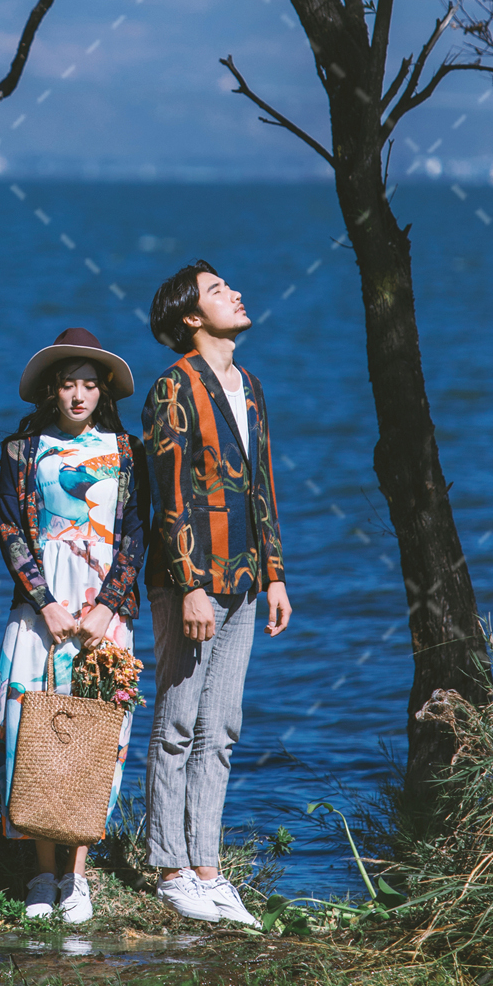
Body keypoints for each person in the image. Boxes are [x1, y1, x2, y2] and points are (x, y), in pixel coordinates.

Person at [141, 261, 292, 926]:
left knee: (222, 726)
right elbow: (169, 498)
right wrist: (190, 587)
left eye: (231, 283)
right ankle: (169, 866)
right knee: (177, 721)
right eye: (217, 289)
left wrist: (277, 573)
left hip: (246, 576)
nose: (235, 290)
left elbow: (261, 485)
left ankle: (209, 868)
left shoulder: (250, 386)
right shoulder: (173, 388)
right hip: (191, 584)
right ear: (193, 319)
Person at [0, 325, 148, 926]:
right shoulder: (22, 452)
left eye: (87, 385)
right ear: (50, 392)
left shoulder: (127, 452)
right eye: (66, 385)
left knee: (96, 735)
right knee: (27, 731)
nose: (77, 395)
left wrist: (106, 607)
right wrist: (48, 603)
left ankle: (77, 880)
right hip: (39, 609)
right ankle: (40, 872)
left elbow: (136, 534)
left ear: (102, 391)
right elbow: (10, 532)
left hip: (103, 610)